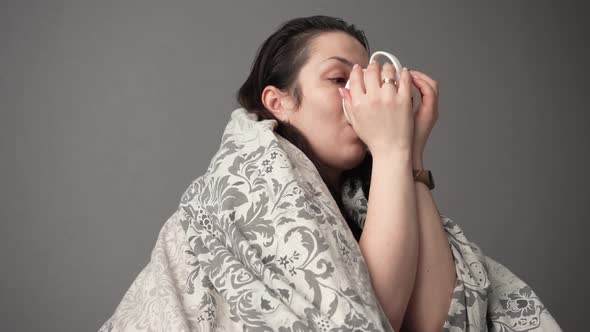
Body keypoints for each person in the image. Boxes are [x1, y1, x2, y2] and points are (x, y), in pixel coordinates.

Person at [237, 15, 444, 331]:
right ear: (277, 102)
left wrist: (410, 150)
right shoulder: (252, 187)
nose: (362, 99)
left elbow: (433, 323)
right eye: (338, 80)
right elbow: (368, 319)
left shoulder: (367, 191)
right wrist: (391, 149)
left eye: (365, 82)